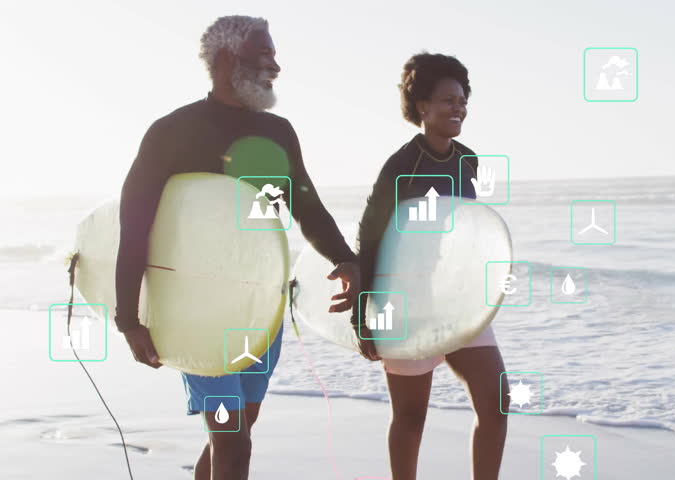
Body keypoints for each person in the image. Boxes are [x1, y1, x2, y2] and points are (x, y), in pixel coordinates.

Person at [114, 16, 362, 480]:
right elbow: (135, 226)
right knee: (233, 442)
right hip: (196, 309)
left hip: (260, 303)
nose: (276, 67)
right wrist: (128, 318)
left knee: (237, 429)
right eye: (265, 55)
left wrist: (346, 260)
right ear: (229, 60)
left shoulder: (278, 132)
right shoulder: (173, 131)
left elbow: (306, 207)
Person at [355, 52, 509, 480]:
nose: (458, 108)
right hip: (407, 302)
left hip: (457, 300)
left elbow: (466, 233)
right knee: (410, 417)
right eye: (447, 100)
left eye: (462, 100)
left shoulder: (468, 162)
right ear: (422, 105)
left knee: (496, 403)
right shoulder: (402, 165)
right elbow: (370, 239)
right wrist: (362, 317)